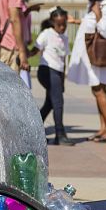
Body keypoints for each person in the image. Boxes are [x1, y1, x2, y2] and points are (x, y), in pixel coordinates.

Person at [67, 0, 106, 143]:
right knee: (97, 90)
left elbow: (105, 30)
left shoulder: (104, 7)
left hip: (96, 55)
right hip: (91, 54)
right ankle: (104, 127)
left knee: (98, 90)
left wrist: (97, 15)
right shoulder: (94, 5)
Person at [36, 8, 73, 146]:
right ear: (52, 22)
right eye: (59, 25)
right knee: (58, 102)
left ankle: (34, 129)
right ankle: (60, 134)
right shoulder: (47, 33)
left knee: (50, 103)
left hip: (57, 72)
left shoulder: (64, 37)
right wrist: (24, 57)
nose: (62, 27)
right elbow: (36, 48)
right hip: (46, 70)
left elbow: (62, 61)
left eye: (64, 24)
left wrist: (62, 81)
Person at [16, 0, 40, 88]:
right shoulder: (16, 5)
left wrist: (28, 39)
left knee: (23, 76)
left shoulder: (24, 5)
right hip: (16, 44)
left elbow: (27, 24)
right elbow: (17, 19)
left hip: (23, 43)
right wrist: (29, 10)